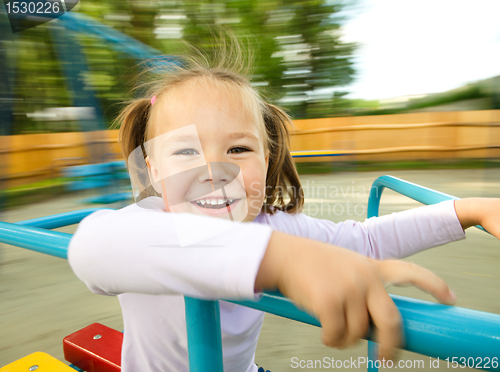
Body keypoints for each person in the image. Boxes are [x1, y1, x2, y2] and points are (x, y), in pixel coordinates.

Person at [68, 48, 500, 372]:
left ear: (267, 159)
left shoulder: (270, 223)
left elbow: (365, 239)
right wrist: (281, 259)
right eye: (185, 151)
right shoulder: (143, 224)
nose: (214, 171)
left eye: (238, 148)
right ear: (153, 168)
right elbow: (90, 249)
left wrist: (468, 209)